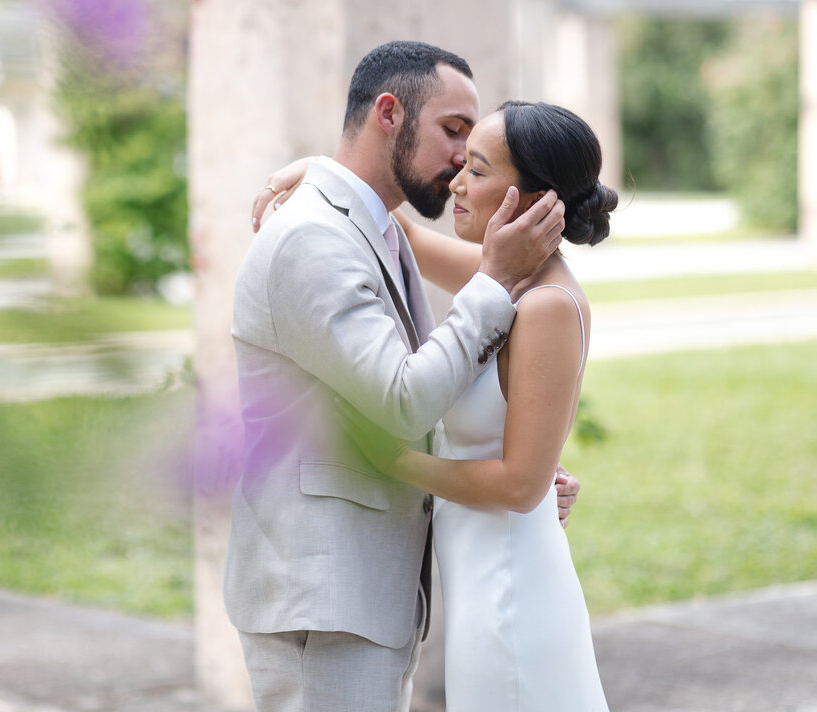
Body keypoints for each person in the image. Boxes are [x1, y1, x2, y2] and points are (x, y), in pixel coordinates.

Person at [225, 40, 578, 712]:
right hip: (322, 601)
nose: (458, 162)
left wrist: (516, 472)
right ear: (389, 113)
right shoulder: (314, 238)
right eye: (453, 132)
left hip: (360, 596)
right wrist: (496, 280)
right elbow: (400, 402)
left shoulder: (372, 227)